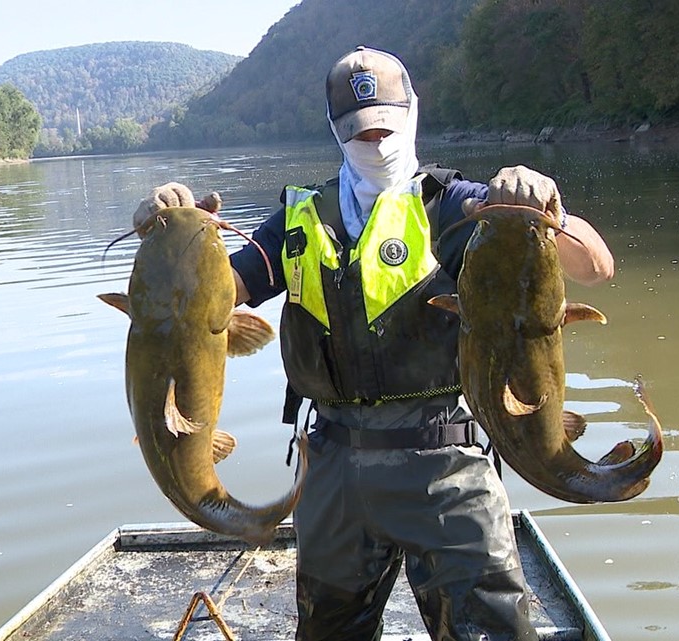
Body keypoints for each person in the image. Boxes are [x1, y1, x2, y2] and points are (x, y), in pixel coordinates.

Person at [143, 45, 613, 641]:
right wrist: (168, 235)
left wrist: (548, 207)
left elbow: (594, 268)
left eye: (387, 125)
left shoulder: (460, 206)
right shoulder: (296, 219)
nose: (377, 141)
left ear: (413, 111)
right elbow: (216, 295)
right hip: (333, 465)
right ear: (336, 132)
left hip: (446, 464)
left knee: (492, 629)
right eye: (360, 132)